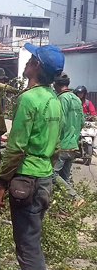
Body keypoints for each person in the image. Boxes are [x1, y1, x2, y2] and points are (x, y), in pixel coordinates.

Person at [0, 44, 64, 270]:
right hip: (44, 177)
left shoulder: (29, 99)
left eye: (30, 59)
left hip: (26, 179)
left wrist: (1, 183)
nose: (27, 63)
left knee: (25, 243)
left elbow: (16, 147)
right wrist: (44, 168)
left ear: (36, 66)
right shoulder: (54, 99)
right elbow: (56, 147)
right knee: (33, 239)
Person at [53, 72, 84, 207]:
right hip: (73, 144)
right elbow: (82, 121)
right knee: (65, 178)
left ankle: (75, 196)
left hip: (63, 144)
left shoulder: (61, 99)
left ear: (55, 84)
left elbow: (61, 122)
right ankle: (64, 210)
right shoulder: (77, 99)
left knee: (53, 175)